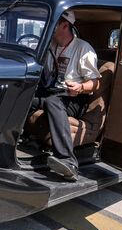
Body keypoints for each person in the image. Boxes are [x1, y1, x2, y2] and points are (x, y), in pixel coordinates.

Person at [31, 10, 100, 181]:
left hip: (74, 97)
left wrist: (80, 86)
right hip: (53, 92)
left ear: (64, 25)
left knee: (53, 102)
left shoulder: (83, 48)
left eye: (52, 23)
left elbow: (96, 83)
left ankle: (68, 161)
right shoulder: (51, 45)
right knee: (24, 98)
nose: (47, 27)